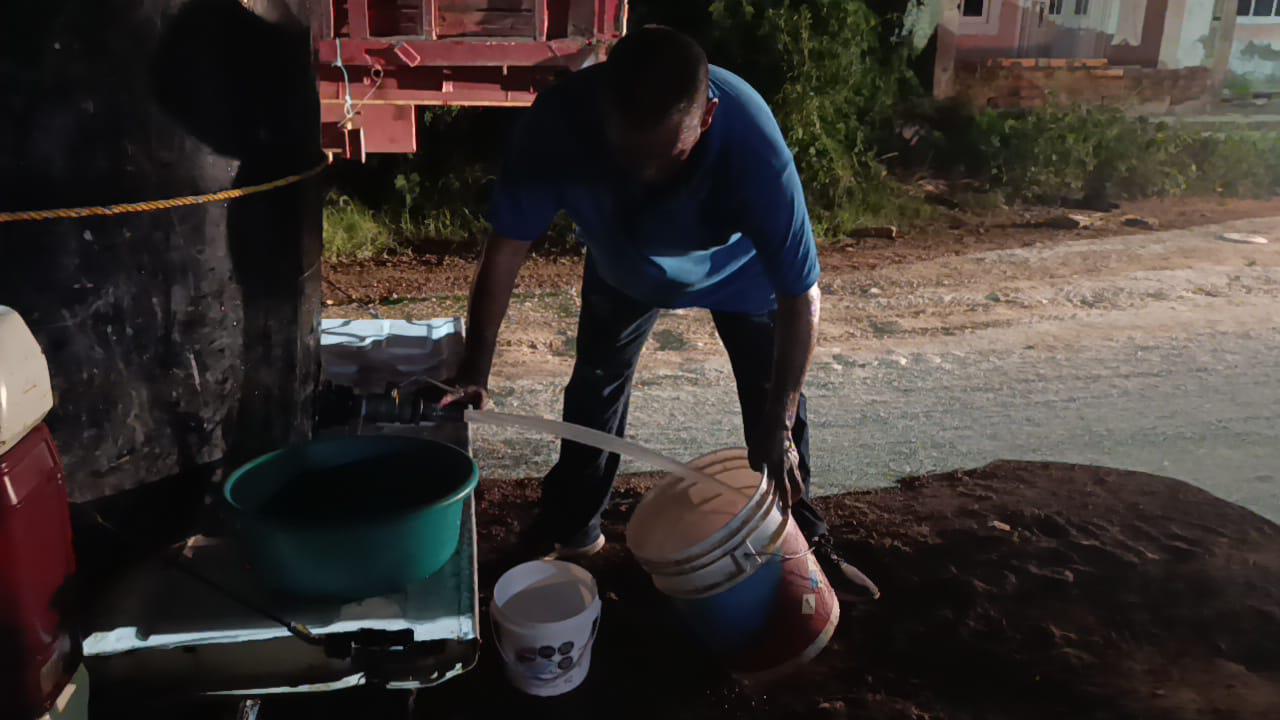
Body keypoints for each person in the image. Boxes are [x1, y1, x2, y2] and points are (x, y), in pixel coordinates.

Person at [443, 26, 877, 597]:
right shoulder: (558, 124)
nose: (646, 177)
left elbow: (802, 293)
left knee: (777, 420)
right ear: (602, 110)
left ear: (708, 120)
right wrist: (476, 368)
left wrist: (779, 418)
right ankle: (571, 526)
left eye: (667, 157)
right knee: (594, 392)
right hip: (624, 269)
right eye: (628, 156)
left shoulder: (751, 139)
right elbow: (505, 252)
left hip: (743, 280)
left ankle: (802, 543)